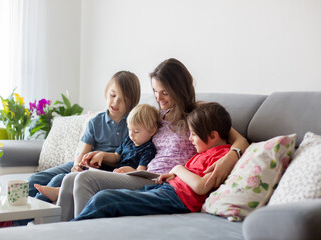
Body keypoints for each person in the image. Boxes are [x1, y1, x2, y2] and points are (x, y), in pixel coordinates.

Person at [56, 58, 249, 221]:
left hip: (163, 182)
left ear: (179, 89)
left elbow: (238, 140)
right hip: (144, 174)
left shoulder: (199, 114)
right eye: (155, 91)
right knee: (70, 179)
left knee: (85, 180)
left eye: (164, 92)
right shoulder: (158, 116)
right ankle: (57, 232)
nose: (158, 97)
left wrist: (230, 158)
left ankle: (78, 231)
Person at [72, 102, 232, 220]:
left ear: (213, 136)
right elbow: (191, 177)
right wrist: (172, 176)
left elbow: (201, 186)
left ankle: (71, 230)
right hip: (167, 189)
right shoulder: (203, 152)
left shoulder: (222, 155)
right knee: (106, 196)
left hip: (177, 199)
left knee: (105, 200)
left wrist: (176, 169)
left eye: (194, 135)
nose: (190, 139)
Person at [28, 70, 141, 203]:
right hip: (85, 163)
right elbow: (83, 152)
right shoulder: (96, 121)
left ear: (131, 103)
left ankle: (33, 214)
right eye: (113, 95)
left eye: (123, 100)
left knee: (58, 181)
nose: (115, 102)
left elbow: (126, 156)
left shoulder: (134, 124)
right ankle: (12, 219)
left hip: (104, 168)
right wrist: (77, 166)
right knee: (34, 180)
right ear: (106, 93)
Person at [34, 104, 160, 202]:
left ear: (152, 130)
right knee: (64, 177)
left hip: (124, 179)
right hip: (113, 173)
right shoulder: (128, 140)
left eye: (136, 131)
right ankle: (40, 204)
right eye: (129, 129)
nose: (131, 134)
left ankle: (59, 192)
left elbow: (141, 172)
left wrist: (129, 170)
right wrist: (102, 154)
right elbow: (116, 157)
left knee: (79, 180)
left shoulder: (148, 149)